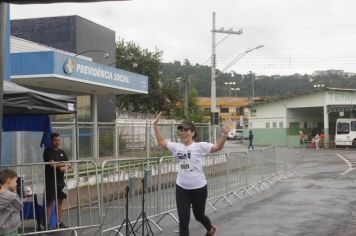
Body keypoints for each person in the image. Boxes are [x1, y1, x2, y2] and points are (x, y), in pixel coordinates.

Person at [153, 111, 229, 236]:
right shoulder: (176, 147)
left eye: (186, 130)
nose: (183, 133)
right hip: (182, 188)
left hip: (199, 188)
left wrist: (224, 135)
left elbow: (217, 147)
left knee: (199, 215)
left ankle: (210, 229)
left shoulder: (200, 146)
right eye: (181, 131)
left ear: (192, 133)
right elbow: (161, 142)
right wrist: (155, 126)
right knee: (183, 221)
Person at [43, 133, 71, 229]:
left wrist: (65, 167)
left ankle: (59, 223)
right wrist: (64, 164)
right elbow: (51, 164)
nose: (57, 142)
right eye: (55, 140)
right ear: (51, 141)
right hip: (51, 181)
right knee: (50, 203)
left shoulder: (62, 152)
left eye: (59, 140)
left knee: (60, 202)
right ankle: (47, 225)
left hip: (60, 181)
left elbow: (70, 164)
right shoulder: (47, 152)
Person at [0, 169, 23, 236]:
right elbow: (20, 205)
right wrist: (14, 191)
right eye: (15, 181)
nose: (16, 183)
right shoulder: (11, 195)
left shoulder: (3, 195)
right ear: (9, 181)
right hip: (10, 229)